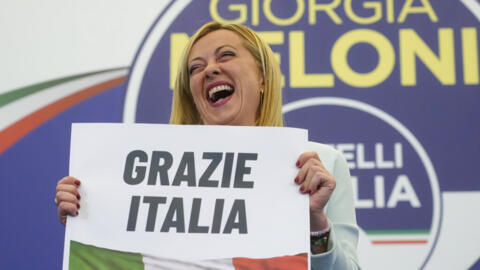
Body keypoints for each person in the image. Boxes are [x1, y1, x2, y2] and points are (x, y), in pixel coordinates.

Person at [56, 21, 360, 269]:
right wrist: (88, 215)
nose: (210, 70)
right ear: (192, 95)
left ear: (263, 77)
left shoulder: (318, 163)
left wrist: (316, 224)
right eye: (195, 68)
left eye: (226, 55)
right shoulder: (154, 173)